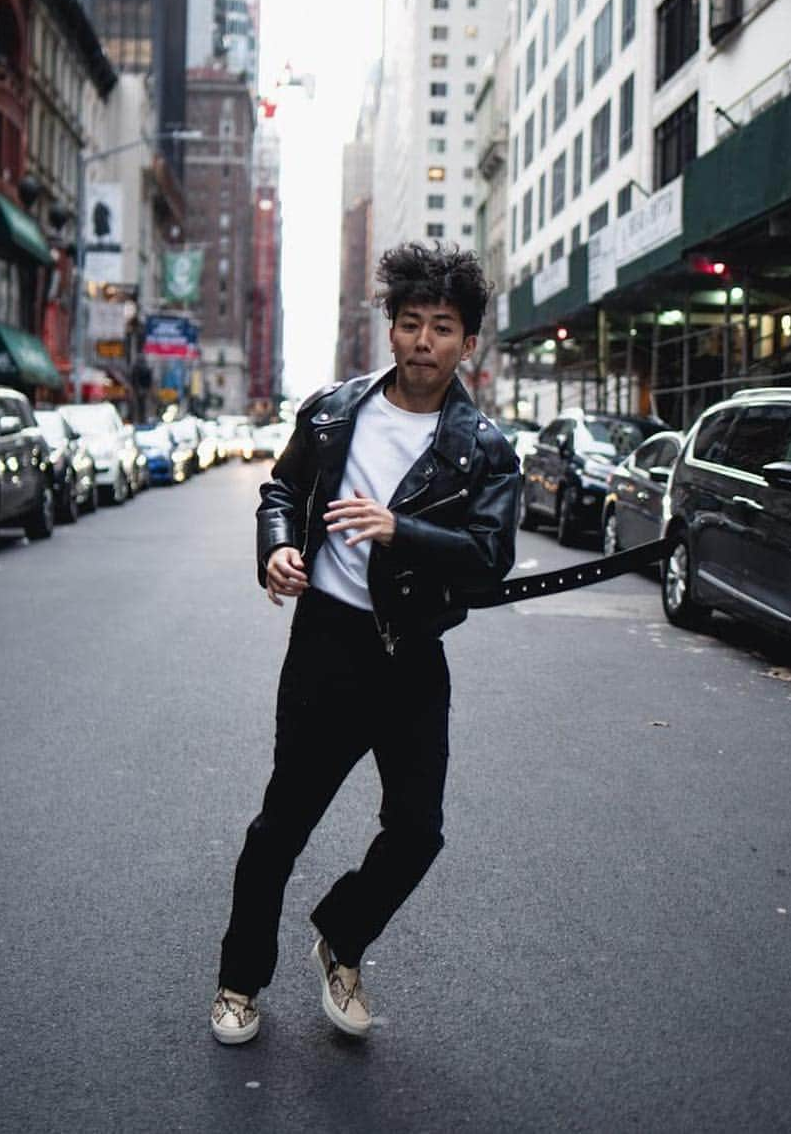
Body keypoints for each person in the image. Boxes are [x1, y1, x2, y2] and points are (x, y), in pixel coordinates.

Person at [210, 241, 519, 1045]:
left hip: (412, 656)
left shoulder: (483, 449)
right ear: (390, 326)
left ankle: (342, 939)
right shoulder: (333, 410)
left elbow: (491, 558)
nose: (424, 340)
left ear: (467, 341)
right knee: (280, 826)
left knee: (418, 829)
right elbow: (280, 487)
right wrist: (278, 546)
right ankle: (239, 981)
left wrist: (398, 529)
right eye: (411, 322)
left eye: (442, 327)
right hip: (328, 648)